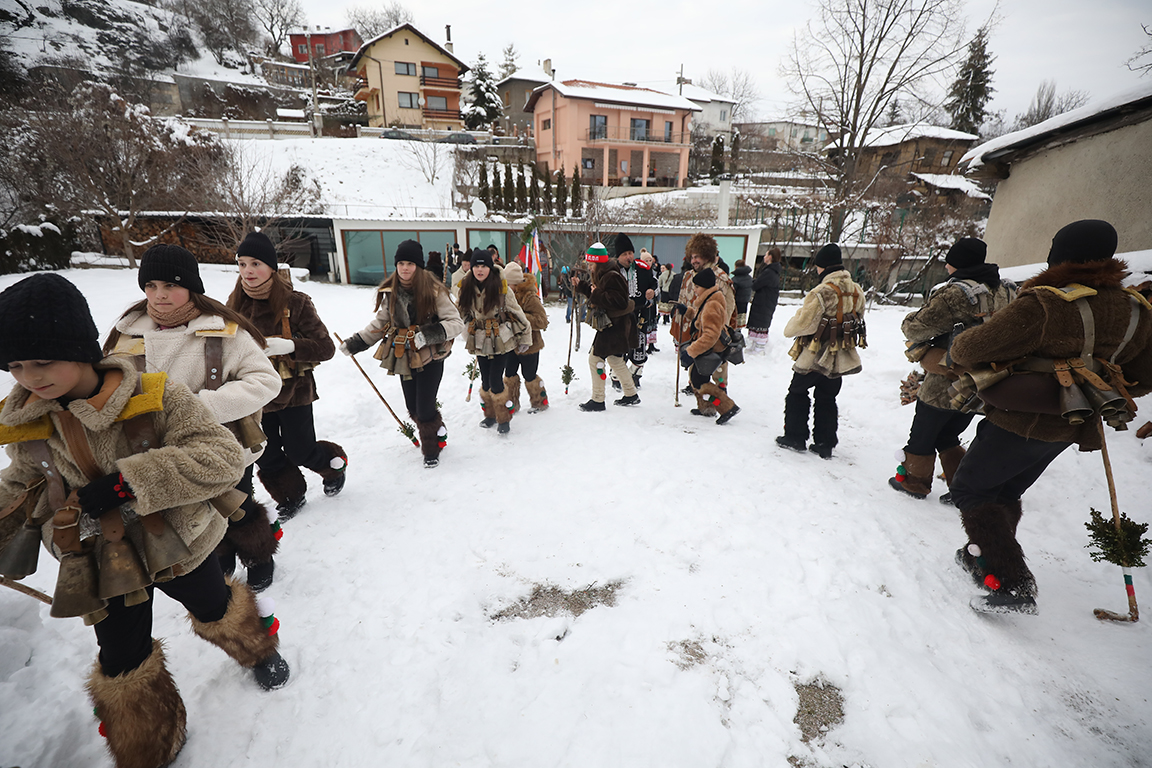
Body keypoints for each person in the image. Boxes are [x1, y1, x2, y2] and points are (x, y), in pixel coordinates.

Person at [0, 274, 289, 768]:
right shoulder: (26, 418)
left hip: (182, 542)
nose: (30, 377)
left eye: (42, 361)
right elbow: (22, 481)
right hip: (100, 560)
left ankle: (258, 649)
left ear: (79, 350)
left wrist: (130, 481)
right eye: (16, 365)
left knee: (216, 606)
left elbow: (221, 457)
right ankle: (149, 745)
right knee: (122, 660)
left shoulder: (155, 395)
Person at [947, 220, 1152, 613]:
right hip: (1076, 421)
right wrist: (1098, 381)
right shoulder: (1134, 308)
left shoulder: (1049, 303)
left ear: (1061, 253)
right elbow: (1144, 376)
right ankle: (982, 554)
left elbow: (970, 349)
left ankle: (1012, 582)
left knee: (970, 489)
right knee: (1005, 490)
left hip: (1021, 416)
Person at [104, 244, 284, 591]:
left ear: (191, 287)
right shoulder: (126, 335)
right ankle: (220, 565)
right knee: (196, 514)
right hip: (161, 451)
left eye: (170, 285)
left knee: (237, 506)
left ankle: (260, 554)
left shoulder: (223, 330)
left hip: (224, 444)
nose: (159, 296)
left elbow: (265, 381)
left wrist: (200, 407)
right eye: (151, 286)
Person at [225, 232, 346, 521]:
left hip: (294, 393)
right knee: (265, 454)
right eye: (242, 264)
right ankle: (290, 495)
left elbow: (326, 347)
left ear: (271, 266)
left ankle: (333, 465)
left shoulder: (297, 302)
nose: (248, 271)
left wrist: (290, 346)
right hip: (254, 395)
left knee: (300, 450)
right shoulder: (233, 305)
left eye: (255, 264)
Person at [889, 237, 1016, 503]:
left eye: (950, 261)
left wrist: (910, 321)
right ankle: (963, 489)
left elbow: (916, 328)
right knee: (948, 435)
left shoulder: (956, 293)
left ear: (957, 263)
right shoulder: (1005, 291)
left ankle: (914, 482)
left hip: (945, 381)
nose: (946, 266)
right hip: (983, 382)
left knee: (922, 436)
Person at [339, 239, 464, 467]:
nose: (405, 268)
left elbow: (456, 322)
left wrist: (428, 334)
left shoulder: (435, 291)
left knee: (425, 407)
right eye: (401, 263)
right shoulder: (392, 292)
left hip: (431, 357)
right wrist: (356, 342)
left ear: (419, 266)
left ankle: (431, 449)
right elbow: (380, 323)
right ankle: (437, 428)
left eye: (410, 263)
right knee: (413, 407)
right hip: (403, 357)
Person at [777, 243, 866, 459]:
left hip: (815, 353)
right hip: (841, 355)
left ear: (823, 267)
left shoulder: (822, 292)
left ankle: (795, 437)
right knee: (827, 397)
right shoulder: (856, 290)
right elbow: (859, 317)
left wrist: (791, 325)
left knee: (797, 392)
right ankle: (825, 442)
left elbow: (804, 324)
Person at [456, 248, 532, 434]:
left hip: (501, 339)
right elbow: (461, 311)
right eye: (476, 266)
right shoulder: (465, 287)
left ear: (490, 267)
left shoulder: (501, 287)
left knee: (496, 380)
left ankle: (503, 417)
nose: (479, 269)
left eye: (483, 266)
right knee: (485, 380)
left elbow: (517, 312)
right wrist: (467, 326)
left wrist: (526, 337)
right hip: (480, 340)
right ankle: (489, 415)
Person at [572, 242, 640, 410]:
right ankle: (631, 394)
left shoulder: (611, 276)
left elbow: (619, 301)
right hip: (615, 325)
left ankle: (598, 400)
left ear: (599, 262)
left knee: (595, 359)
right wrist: (582, 286)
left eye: (591, 264)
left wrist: (596, 293)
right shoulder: (605, 274)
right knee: (615, 359)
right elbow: (599, 293)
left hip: (614, 326)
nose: (589, 267)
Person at [673, 234, 737, 409]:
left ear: (707, 255)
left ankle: (723, 404)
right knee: (698, 373)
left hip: (714, 336)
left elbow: (727, 308)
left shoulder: (720, 278)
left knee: (717, 372)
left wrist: (718, 331)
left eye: (697, 256)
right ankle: (705, 406)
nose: (693, 260)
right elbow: (685, 299)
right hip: (695, 332)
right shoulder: (688, 276)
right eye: (691, 256)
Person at [679, 268, 740, 424]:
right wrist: (687, 312)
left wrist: (690, 352)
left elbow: (710, 335)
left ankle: (727, 407)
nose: (695, 290)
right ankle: (707, 408)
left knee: (699, 382)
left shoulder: (712, 304)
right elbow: (702, 320)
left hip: (711, 349)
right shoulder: (710, 299)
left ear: (705, 287)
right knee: (698, 378)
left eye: (697, 287)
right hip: (709, 348)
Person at [610, 234, 657, 390]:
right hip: (619, 316)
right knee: (619, 349)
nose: (628, 257)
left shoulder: (643, 268)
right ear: (618, 257)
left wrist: (652, 291)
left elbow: (654, 284)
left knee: (639, 350)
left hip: (640, 314)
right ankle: (616, 377)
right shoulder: (612, 270)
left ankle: (635, 375)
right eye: (624, 254)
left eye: (630, 253)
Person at [502, 262, 550, 413]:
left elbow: (542, 320)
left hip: (530, 345)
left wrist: (520, 318)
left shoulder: (530, 297)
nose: (506, 287)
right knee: (509, 374)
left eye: (508, 283)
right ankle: (511, 403)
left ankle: (540, 401)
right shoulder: (503, 295)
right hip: (510, 343)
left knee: (529, 375)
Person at [747, 247, 782, 354]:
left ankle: (758, 350)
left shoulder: (769, 272)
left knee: (760, 324)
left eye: (766, 255)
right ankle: (756, 346)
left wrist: (752, 282)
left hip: (764, 303)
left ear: (770, 257)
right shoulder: (773, 270)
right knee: (761, 323)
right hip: (766, 302)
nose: (764, 257)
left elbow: (756, 285)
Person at [732, 259, 753, 329]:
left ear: (736, 267)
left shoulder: (735, 279)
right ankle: (739, 332)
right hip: (745, 302)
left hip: (736, 302)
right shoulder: (749, 278)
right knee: (740, 320)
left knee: (734, 321)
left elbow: (732, 292)